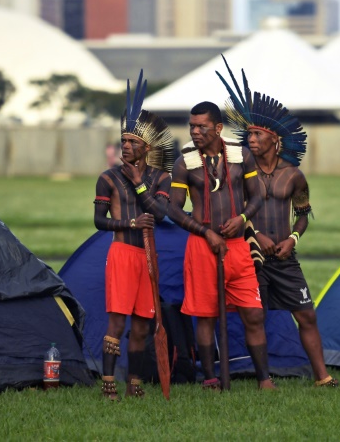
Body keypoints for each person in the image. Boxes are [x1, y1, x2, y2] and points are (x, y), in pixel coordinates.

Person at [217, 60, 340, 388]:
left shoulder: (294, 176)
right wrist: (257, 234)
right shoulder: (238, 171)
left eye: (257, 134)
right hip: (251, 256)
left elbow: (304, 213)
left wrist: (293, 238)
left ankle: (323, 377)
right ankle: (264, 380)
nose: (251, 139)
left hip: (285, 257)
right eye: (248, 133)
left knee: (306, 314)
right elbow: (231, 209)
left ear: (275, 139)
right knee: (254, 316)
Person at [167, 100, 275, 390]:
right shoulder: (184, 163)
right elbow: (174, 209)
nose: (195, 131)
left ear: (217, 127)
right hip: (202, 248)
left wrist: (241, 219)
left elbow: (256, 196)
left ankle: (264, 379)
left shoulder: (242, 156)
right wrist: (206, 232)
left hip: (238, 247)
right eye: (192, 126)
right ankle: (211, 379)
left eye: (202, 126)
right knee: (205, 317)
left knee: (253, 313)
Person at [93, 71, 174, 400]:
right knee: (118, 324)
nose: (125, 147)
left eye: (132, 143)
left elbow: (159, 214)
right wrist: (129, 224)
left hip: (148, 257)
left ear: (146, 147)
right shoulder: (107, 178)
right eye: (123, 141)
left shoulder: (161, 177)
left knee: (142, 325)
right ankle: (108, 381)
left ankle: (135, 383)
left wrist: (139, 183)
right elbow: (99, 221)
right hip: (123, 254)